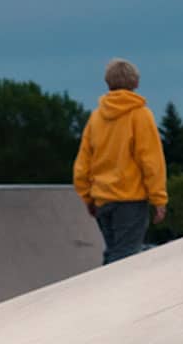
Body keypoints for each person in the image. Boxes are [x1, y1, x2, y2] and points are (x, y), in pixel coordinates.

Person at [72, 59, 168, 265]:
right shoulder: (140, 115)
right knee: (125, 258)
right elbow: (151, 160)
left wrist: (87, 196)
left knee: (114, 252)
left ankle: (104, 291)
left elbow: (83, 163)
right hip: (130, 200)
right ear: (136, 83)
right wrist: (159, 198)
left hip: (102, 201)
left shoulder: (96, 118)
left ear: (108, 84)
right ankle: (109, 295)